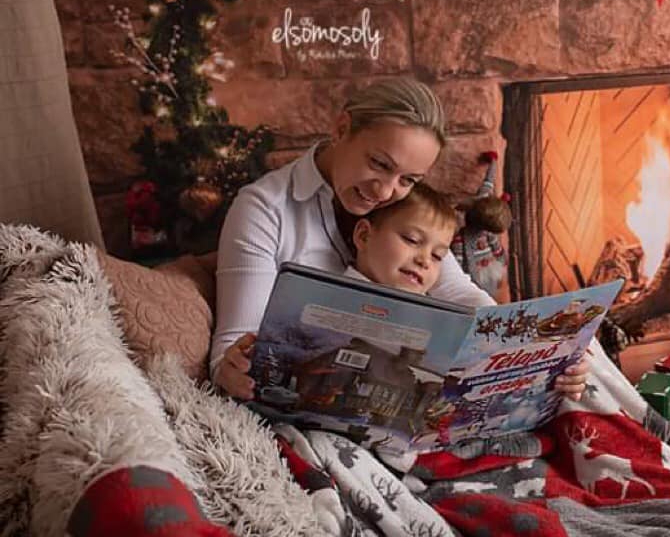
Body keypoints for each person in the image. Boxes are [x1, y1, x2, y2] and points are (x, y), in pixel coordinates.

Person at [210, 76, 589, 404]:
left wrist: (531, 350)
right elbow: (232, 347)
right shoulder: (265, 209)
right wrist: (233, 367)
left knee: (585, 361)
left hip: (403, 390)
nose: (385, 191)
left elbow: (459, 293)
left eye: (408, 179)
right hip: (322, 392)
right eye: (379, 164)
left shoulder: (405, 204)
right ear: (342, 128)